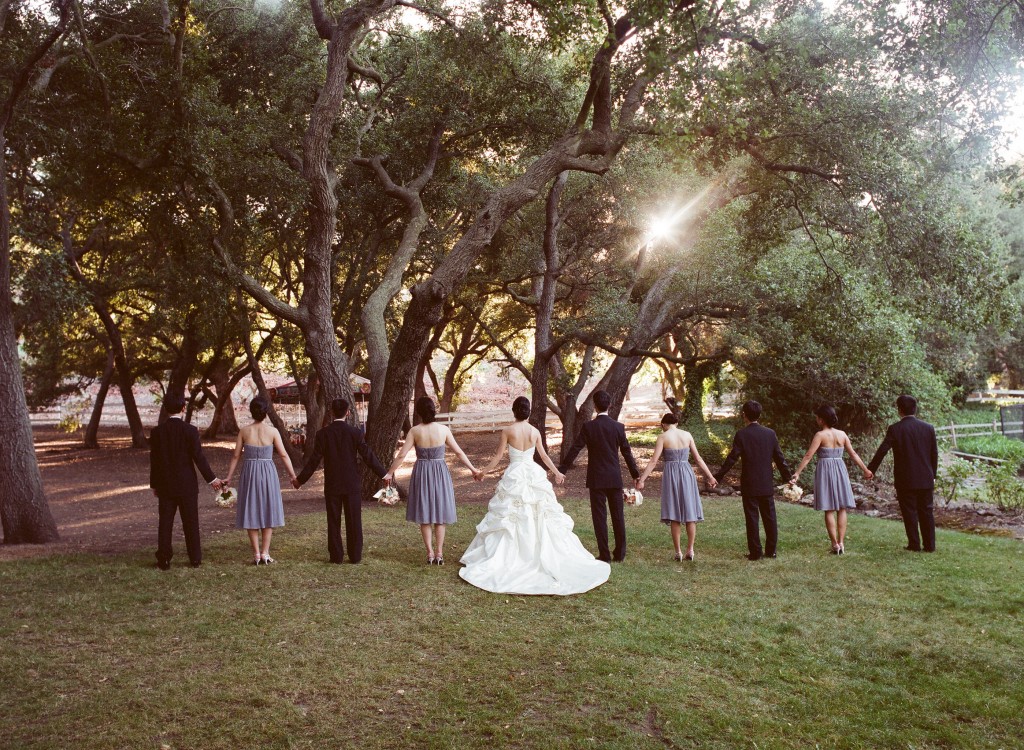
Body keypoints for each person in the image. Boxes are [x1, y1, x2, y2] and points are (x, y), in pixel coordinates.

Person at [459, 397, 610, 595]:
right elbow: (544, 456)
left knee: (512, 514)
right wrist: (557, 472)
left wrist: (482, 472)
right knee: (537, 512)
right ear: (528, 412)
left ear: (514, 411)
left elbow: (497, 457)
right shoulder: (534, 432)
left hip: (515, 473)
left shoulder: (508, 431)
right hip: (532, 472)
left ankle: (515, 556)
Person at [383, 397, 479, 565]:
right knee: (440, 514)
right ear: (433, 410)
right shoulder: (443, 430)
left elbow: (402, 455)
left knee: (425, 514)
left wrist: (390, 473)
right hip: (440, 472)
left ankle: (430, 553)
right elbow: (459, 452)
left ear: (419, 412)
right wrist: (473, 469)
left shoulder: (415, 431)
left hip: (422, 473)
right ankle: (439, 553)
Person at [293, 398, 390, 564]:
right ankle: (355, 555)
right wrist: (383, 474)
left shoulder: (323, 434)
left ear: (331, 413)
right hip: (352, 482)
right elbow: (368, 456)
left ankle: (336, 556)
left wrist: (300, 480)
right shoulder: (356, 433)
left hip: (332, 483)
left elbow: (314, 461)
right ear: (348, 412)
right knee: (354, 520)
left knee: (333, 520)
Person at [557, 390, 641, 563]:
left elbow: (575, 448)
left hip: (596, 479)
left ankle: (604, 555)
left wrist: (562, 470)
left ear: (595, 406)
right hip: (614, 478)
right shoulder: (618, 427)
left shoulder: (589, 427)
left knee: (599, 517)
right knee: (618, 516)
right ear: (609, 405)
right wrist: (635, 474)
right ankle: (620, 554)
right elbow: (627, 452)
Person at [149, 393, 222, 570]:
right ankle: (195, 558)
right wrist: (212, 479)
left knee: (165, 522)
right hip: (187, 484)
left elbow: (155, 461)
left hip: (165, 484)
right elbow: (199, 458)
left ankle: (164, 559)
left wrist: (155, 484)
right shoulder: (190, 430)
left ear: (165, 409)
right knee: (191, 521)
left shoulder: (157, 432)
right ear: (183, 408)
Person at [713, 400, 792, 561]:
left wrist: (718, 476)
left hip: (749, 482)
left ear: (744, 415)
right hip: (766, 481)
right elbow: (779, 458)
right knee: (770, 517)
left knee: (752, 517)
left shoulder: (742, 434)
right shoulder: (770, 433)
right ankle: (771, 551)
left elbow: (732, 458)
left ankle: (755, 552)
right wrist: (788, 478)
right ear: (759, 415)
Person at [789, 404, 873, 555]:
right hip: (840, 469)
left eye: (817, 417)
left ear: (821, 420)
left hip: (826, 470)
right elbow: (853, 454)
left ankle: (835, 544)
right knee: (842, 508)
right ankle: (841, 542)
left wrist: (797, 473)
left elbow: (809, 455)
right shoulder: (842, 434)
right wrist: (865, 470)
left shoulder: (820, 435)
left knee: (829, 508)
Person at [223, 397, 297, 565]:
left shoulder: (244, 431)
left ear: (252, 411)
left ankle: (256, 553)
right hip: (267, 473)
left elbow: (235, 456)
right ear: (266, 412)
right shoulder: (273, 431)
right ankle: (265, 553)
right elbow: (284, 455)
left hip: (249, 473)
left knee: (251, 509)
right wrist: (293, 476)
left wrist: (228, 477)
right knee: (268, 508)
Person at [636, 413, 718, 562]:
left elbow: (654, 461)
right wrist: (710, 476)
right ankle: (690, 550)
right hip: (687, 473)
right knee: (690, 512)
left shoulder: (663, 437)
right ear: (677, 423)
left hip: (671, 475)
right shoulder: (687, 435)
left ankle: (678, 552)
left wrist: (642, 479)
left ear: (663, 424)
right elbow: (698, 459)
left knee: (675, 514)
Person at [866, 395, 939, 552]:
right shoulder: (928, 428)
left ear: (899, 410)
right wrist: (933, 475)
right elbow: (934, 454)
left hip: (905, 478)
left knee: (909, 511)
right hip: (926, 477)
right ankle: (930, 546)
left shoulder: (895, 429)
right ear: (915, 408)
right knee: (927, 511)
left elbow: (882, 450)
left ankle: (914, 544)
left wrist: (871, 469)